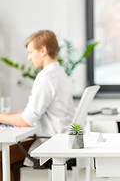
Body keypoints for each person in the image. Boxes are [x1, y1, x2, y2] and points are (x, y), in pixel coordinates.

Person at [0, 30, 75, 181]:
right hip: (63, 138)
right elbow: (32, 112)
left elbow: (27, 120)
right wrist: (5, 117)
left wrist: (1, 117)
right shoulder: (61, 74)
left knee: (2, 157)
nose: (29, 58)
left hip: (49, 141)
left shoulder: (45, 77)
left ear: (43, 51)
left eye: (31, 52)